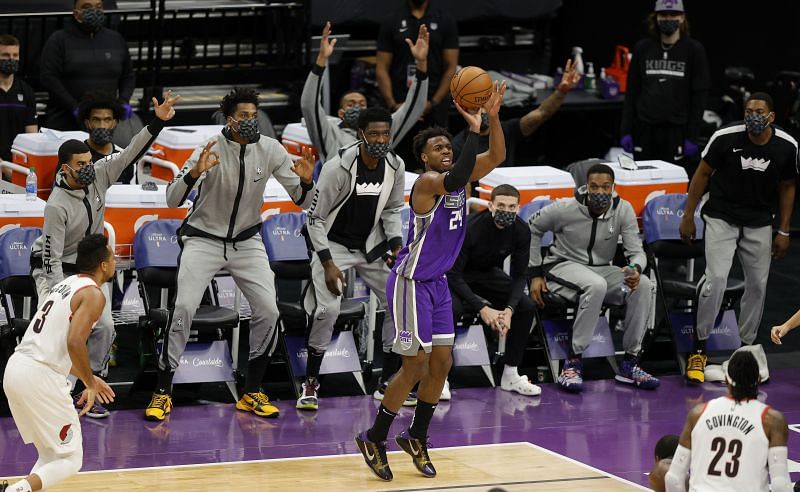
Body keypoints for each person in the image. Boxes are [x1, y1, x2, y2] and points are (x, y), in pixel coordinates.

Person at [354, 80, 507, 482]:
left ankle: (417, 435)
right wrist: (472, 130)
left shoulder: (461, 174)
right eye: (437, 147)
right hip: (410, 282)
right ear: (424, 156)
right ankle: (374, 437)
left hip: (437, 283)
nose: (445, 151)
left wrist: (493, 118)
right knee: (415, 366)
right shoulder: (426, 184)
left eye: (448, 146)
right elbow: (455, 179)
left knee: (442, 364)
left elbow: (499, 155)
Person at [144, 87, 315, 422]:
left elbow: (302, 201)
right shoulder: (207, 148)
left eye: (254, 116)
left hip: (247, 241)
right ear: (229, 118)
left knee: (269, 310)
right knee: (184, 308)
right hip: (203, 240)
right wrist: (195, 172)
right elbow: (171, 199)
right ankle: (163, 391)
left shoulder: (270, 149)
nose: (250, 122)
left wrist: (307, 183)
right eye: (243, 116)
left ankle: (251, 391)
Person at [28, 91, 177, 420]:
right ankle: (47, 393)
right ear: (65, 168)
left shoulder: (100, 175)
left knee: (105, 326)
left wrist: (157, 122)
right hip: (52, 270)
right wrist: (59, 300)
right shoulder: (56, 205)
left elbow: (132, 152)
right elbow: (50, 260)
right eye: (81, 165)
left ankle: (87, 389)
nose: (88, 169)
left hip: (84, 271)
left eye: (89, 162)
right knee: (57, 329)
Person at [679, 92, 798, 384]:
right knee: (716, 279)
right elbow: (702, 174)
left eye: (759, 111)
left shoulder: (787, 145)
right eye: (748, 111)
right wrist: (687, 215)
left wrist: (784, 230)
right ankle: (699, 348)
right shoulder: (725, 137)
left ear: (771, 117)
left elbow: (787, 187)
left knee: (757, 285)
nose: (752, 116)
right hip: (722, 215)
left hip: (758, 220)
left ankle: (746, 350)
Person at [301, 106, 407, 411]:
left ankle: (387, 381)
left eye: (385, 133)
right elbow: (315, 219)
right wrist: (327, 262)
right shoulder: (338, 167)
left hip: (370, 246)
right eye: (373, 133)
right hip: (332, 246)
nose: (380, 139)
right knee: (328, 308)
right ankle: (311, 382)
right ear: (360, 135)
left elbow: (391, 210)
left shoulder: (395, 165)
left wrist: (397, 245)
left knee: (397, 302)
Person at [529, 164, 659, 393]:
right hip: (562, 265)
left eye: (605, 187)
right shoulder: (565, 207)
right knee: (595, 285)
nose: (600, 191)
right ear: (586, 187)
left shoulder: (623, 209)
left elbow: (636, 251)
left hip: (601, 268)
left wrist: (634, 268)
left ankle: (630, 362)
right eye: (594, 186)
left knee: (645, 285)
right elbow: (532, 227)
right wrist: (535, 273)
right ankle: (573, 362)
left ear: (613, 188)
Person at [2, 234, 117, 492]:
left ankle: (21, 489)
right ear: (103, 265)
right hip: (40, 377)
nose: (116, 260)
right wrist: (88, 382)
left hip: (18, 368)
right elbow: (74, 342)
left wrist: (90, 378)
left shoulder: (67, 284)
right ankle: (14, 491)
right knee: (71, 458)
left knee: (51, 455)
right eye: (113, 257)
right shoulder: (94, 294)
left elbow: (57, 345)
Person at [448, 184, 540, 397]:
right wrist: (482, 307)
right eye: (501, 205)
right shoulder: (470, 228)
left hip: (487, 273)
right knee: (452, 310)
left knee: (525, 307)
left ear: (518, 208)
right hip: (456, 276)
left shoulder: (521, 230)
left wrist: (508, 309)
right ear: (490, 206)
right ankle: (441, 378)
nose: (506, 211)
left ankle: (510, 374)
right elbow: (453, 274)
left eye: (511, 207)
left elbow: (519, 275)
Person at [301, 21, 429, 163]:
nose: (357, 107)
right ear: (341, 113)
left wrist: (421, 62)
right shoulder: (329, 133)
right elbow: (308, 105)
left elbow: (414, 108)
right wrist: (321, 60)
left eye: (362, 104)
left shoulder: (382, 131)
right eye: (351, 104)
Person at [664, 351, 792, 492]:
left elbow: (673, 479)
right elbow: (780, 485)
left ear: (726, 379)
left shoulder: (698, 413)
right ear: (759, 379)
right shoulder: (771, 420)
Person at [620, 0, 710, 169]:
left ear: (682, 18)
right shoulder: (642, 48)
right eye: (663, 15)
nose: (668, 18)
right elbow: (632, 91)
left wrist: (692, 136)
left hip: (677, 131)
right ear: (656, 18)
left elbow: (699, 96)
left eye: (673, 15)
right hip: (645, 130)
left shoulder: (694, 50)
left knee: (674, 186)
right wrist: (625, 130)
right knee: (644, 181)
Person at [451, 59, 581, 166]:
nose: (482, 112)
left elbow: (541, 113)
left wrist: (561, 92)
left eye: (484, 106)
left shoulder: (507, 130)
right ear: (465, 110)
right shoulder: (458, 145)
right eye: (476, 108)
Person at [39, 0, 135, 130]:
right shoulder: (59, 40)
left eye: (98, 7)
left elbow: (128, 75)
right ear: (76, 13)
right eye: (86, 7)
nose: (93, 11)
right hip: (65, 121)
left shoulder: (115, 39)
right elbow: (48, 77)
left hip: (104, 123)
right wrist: (74, 106)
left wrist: (124, 100)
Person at [0, 34, 37, 180]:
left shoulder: (26, 91)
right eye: (5, 55)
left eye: (15, 55)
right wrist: (4, 166)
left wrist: (25, 169)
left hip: (19, 165)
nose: (11, 59)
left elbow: (32, 137)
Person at [77, 90, 135, 182]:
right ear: (87, 123)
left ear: (114, 123)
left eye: (107, 120)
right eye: (96, 120)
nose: (102, 126)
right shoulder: (75, 157)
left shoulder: (125, 158)